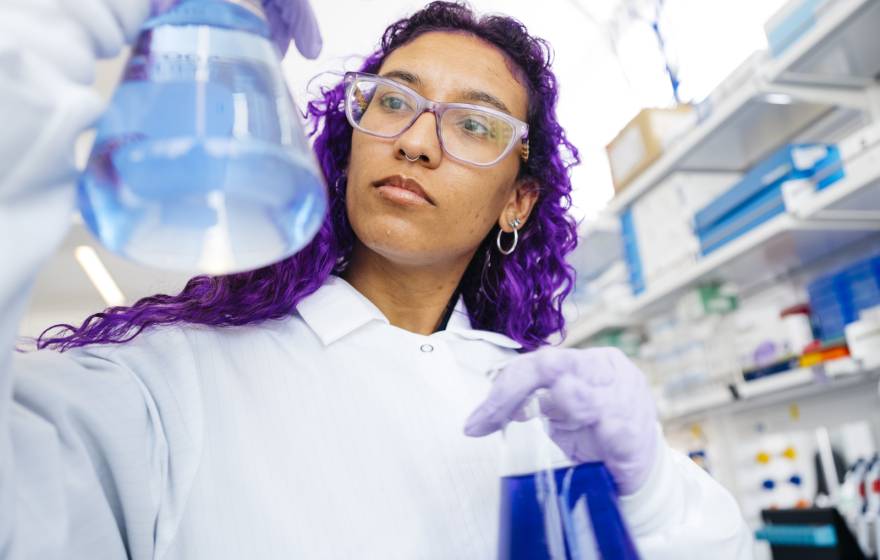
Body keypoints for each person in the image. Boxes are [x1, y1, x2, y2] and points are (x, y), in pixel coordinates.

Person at [0, 0, 753, 558]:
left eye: (474, 124)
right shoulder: (171, 384)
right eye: (393, 102)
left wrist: (649, 487)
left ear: (516, 201)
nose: (418, 142)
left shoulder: (546, 412)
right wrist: (50, 28)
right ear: (348, 145)